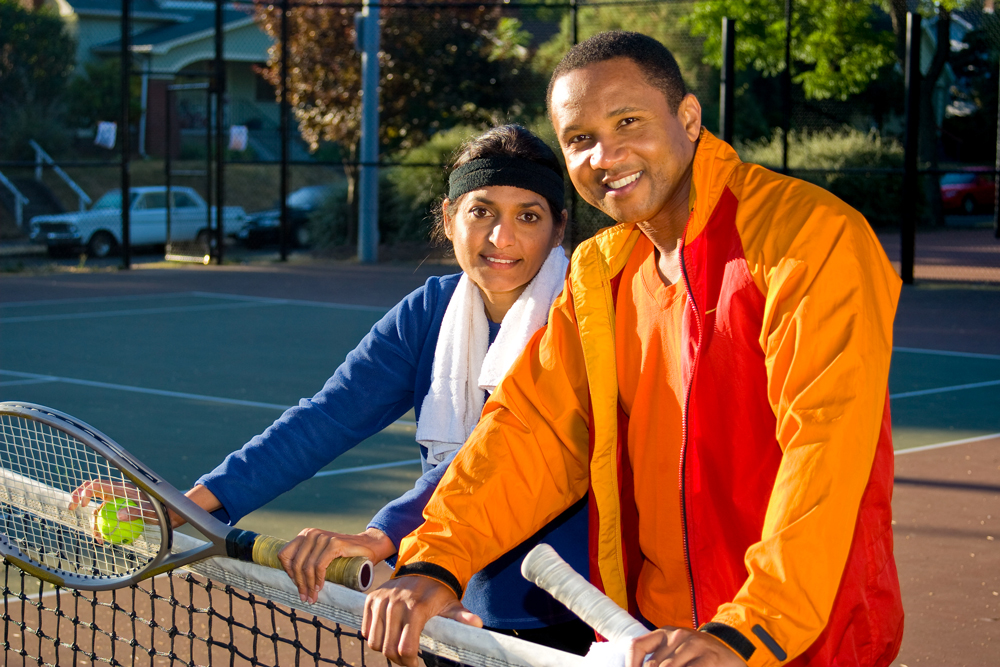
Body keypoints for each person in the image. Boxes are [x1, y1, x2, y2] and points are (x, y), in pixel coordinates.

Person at [361, 32, 904, 667]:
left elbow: (825, 450)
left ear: (690, 119)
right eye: (579, 138)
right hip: (662, 641)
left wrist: (747, 632)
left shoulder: (809, 237)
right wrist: (436, 559)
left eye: (627, 122)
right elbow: (533, 431)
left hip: (803, 642)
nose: (605, 154)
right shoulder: (602, 272)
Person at [70, 124, 594, 656]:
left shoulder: (582, 319)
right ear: (449, 218)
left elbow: (505, 453)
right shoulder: (427, 313)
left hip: (580, 613)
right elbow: (325, 419)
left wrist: (381, 534)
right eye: (481, 211)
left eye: (527, 216)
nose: (501, 238)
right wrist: (189, 507)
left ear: (558, 230)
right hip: (450, 605)